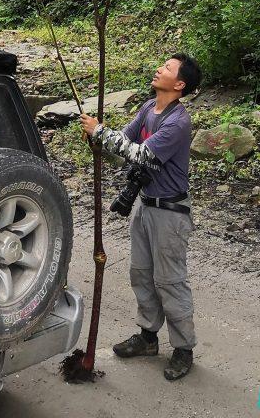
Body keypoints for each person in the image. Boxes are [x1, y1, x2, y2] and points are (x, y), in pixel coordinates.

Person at [79, 53, 202, 382]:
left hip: (171, 212)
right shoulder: (149, 107)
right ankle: (148, 338)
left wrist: (101, 132)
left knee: (170, 281)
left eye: (168, 68)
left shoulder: (178, 122)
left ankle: (183, 349)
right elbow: (126, 139)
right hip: (146, 205)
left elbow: (141, 153)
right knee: (142, 273)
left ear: (179, 84)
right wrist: (98, 139)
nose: (159, 68)